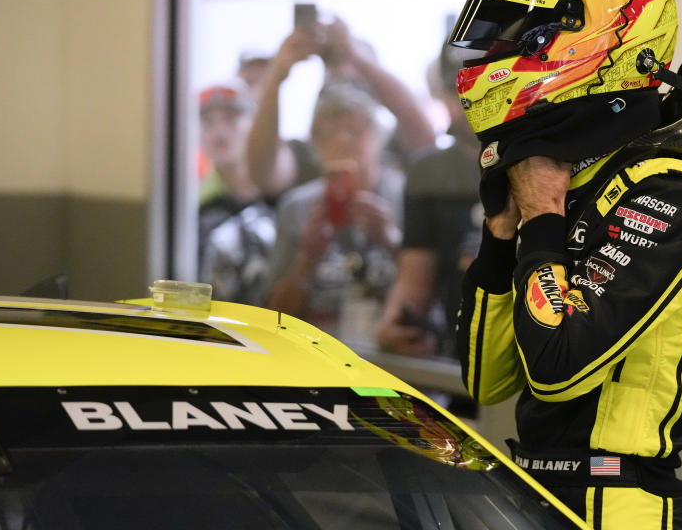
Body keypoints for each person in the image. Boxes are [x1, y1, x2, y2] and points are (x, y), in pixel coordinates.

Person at [450, 0, 682, 529]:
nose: (496, 51)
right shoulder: (565, 180)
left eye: (521, 32)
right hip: (535, 497)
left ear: (601, 38)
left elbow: (557, 370)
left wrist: (544, 218)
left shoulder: (670, 192)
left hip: (622, 505)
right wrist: (502, 233)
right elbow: (485, 378)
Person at [265, 81, 403, 341]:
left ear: (378, 137)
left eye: (354, 130)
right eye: (329, 134)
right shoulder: (297, 207)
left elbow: (435, 293)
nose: (342, 141)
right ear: (315, 146)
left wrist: (389, 238)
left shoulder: (403, 196)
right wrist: (308, 257)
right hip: (316, 355)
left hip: (391, 356)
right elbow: (273, 315)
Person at [246, 14, 435, 198]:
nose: (344, 78)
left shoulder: (392, 143)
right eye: (335, 68)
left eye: (356, 71)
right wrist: (277, 73)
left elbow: (422, 132)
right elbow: (264, 174)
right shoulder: (308, 152)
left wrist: (355, 55)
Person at [376, 45, 483, 357]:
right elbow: (414, 279)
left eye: (481, 81)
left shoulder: (552, 160)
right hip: (463, 358)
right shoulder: (429, 171)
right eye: (457, 87)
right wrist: (397, 322)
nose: (470, 97)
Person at [196, 81, 275, 306]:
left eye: (231, 119)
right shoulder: (193, 208)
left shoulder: (281, 197)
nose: (219, 133)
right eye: (207, 122)